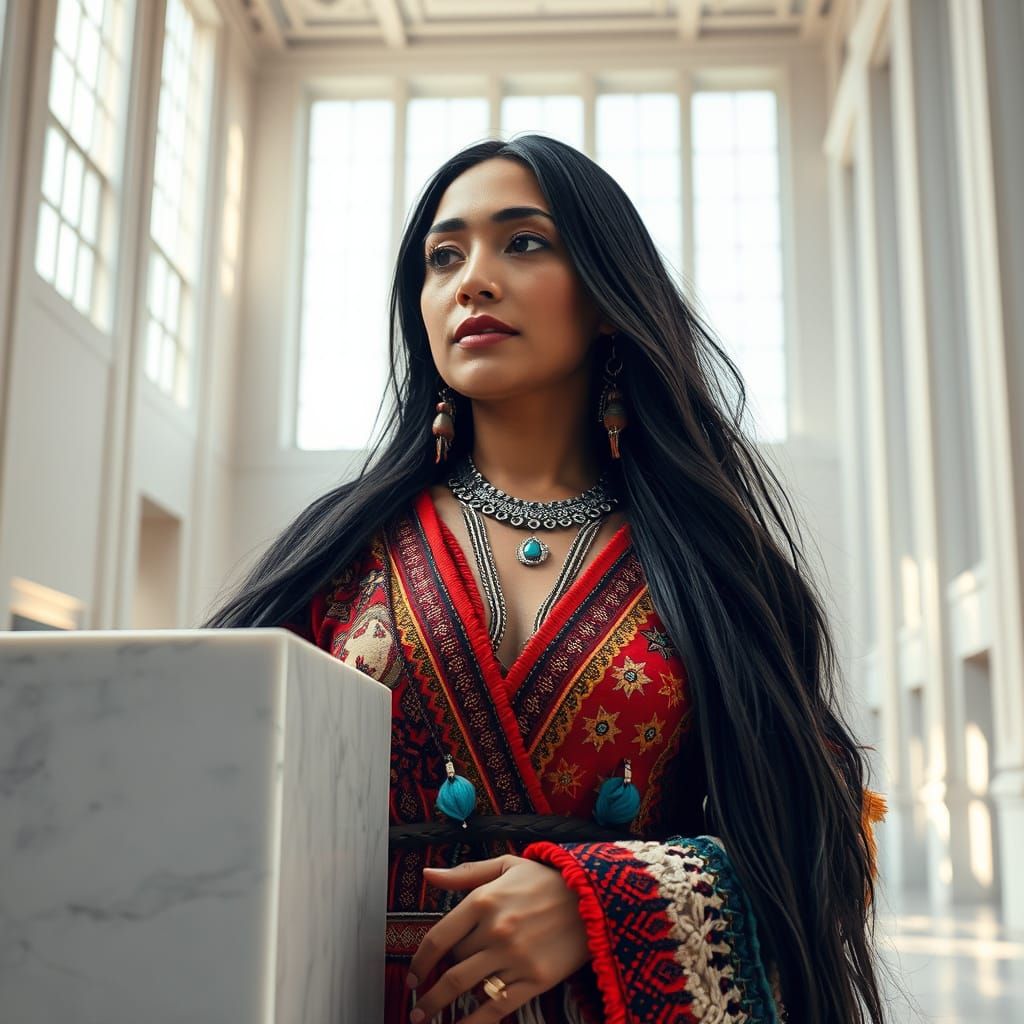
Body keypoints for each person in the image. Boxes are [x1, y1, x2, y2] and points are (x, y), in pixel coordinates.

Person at [205, 134, 886, 1023]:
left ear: (607, 297)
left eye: (523, 242)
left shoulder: (712, 562)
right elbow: (215, 793)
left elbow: (825, 834)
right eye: (442, 257)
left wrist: (601, 900)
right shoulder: (343, 552)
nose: (472, 280)